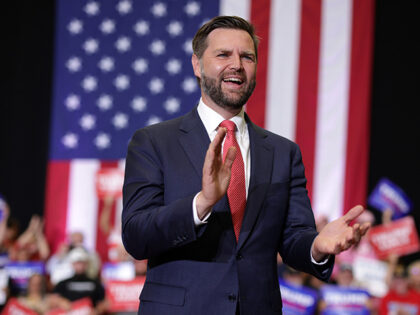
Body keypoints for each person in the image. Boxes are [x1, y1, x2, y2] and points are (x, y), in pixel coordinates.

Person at [122, 16, 370, 315]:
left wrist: (317, 246)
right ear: (197, 65)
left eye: (247, 56)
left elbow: (293, 239)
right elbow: (136, 236)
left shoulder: (283, 152)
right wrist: (201, 204)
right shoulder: (154, 141)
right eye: (223, 54)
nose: (237, 65)